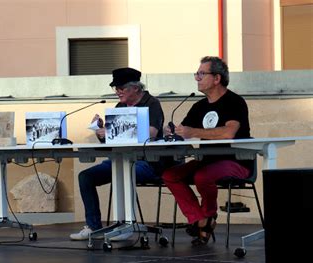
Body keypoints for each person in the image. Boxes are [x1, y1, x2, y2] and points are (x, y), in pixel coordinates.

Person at [70, 67, 170, 241]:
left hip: (147, 163)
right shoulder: (120, 106)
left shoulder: (151, 103)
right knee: (85, 177)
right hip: (119, 161)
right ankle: (94, 227)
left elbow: (152, 133)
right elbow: (113, 142)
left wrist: (110, 132)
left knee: (124, 173)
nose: (117, 92)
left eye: (121, 88)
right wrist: (101, 131)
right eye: (115, 88)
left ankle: (126, 225)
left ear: (136, 88)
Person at [162, 56, 252, 246]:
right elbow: (184, 132)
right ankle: (201, 220)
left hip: (236, 161)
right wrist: (172, 132)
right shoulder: (199, 106)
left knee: (202, 176)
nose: (197, 78)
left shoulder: (234, 102)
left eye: (202, 73)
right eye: (197, 73)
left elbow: (229, 133)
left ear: (217, 78)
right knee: (170, 175)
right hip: (207, 161)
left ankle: (207, 217)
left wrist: (192, 132)